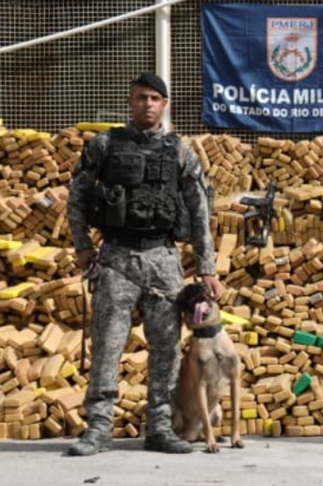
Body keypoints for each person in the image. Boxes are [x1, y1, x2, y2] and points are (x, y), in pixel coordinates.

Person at [66, 73, 225, 455]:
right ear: (130, 102)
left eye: (155, 98)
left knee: (166, 349)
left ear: (164, 104)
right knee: (107, 345)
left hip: (163, 260)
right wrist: (83, 246)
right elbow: (78, 197)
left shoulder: (181, 152)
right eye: (141, 97)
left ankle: (160, 428)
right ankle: (99, 428)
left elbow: (199, 210)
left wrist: (206, 267)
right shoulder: (104, 145)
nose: (148, 104)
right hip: (116, 258)